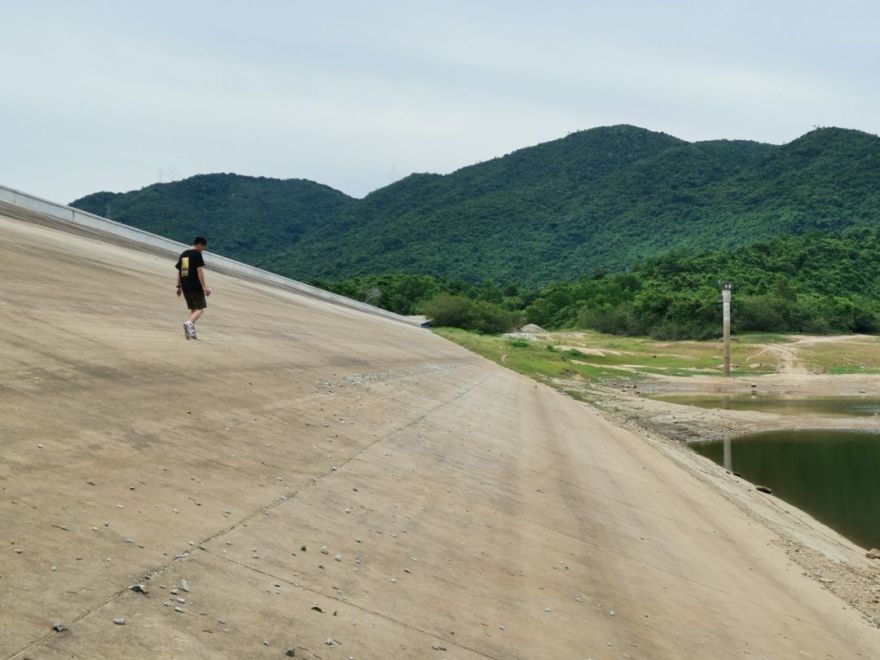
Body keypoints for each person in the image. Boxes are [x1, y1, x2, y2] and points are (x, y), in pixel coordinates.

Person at [175, 236, 212, 339]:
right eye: (203, 247)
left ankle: (191, 332)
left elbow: (181, 271)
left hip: (185, 286)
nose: (203, 250)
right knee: (200, 308)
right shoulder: (196, 254)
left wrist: (178, 287)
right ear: (199, 244)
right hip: (195, 286)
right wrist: (205, 287)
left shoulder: (184, 254)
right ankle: (189, 323)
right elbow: (199, 270)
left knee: (194, 309)